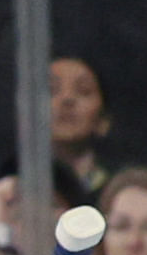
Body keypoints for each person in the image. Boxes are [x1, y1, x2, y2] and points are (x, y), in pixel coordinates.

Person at [47, 54, 139, 209]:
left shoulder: (125, 192)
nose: (67, 99)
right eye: (52, 90)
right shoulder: (7, 186)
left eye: (84, 91)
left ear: (104, 121)